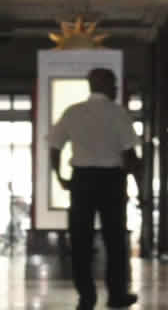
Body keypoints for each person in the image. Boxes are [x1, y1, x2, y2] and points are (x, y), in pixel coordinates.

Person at [48, 67, 142, 310]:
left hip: (82, 181)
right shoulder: (118, 113)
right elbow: (130, 155)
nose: (116, 88)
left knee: (81, 240)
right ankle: (116, 295)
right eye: (114, 84)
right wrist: (138, 186)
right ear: (106, 85)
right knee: (115, 240)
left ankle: (86, 297)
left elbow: (55, 147)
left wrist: (60, 177)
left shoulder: (73, 112)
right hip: (112, 181)